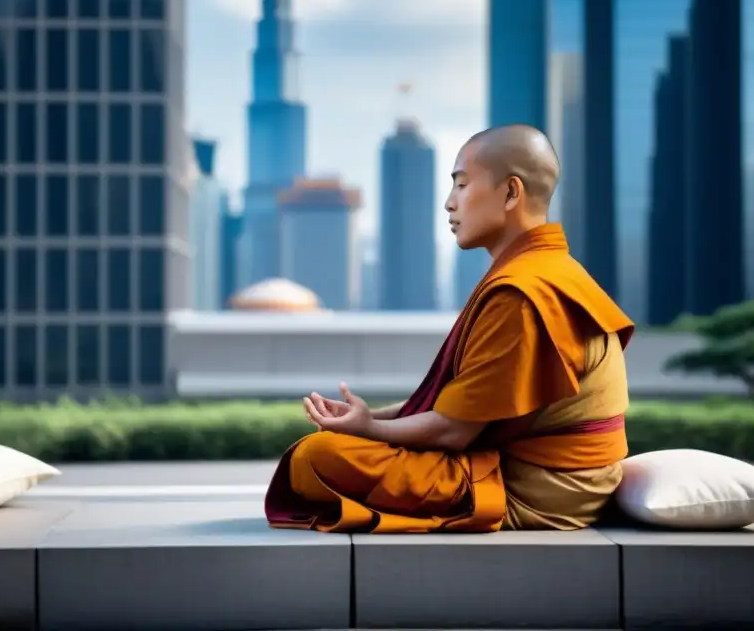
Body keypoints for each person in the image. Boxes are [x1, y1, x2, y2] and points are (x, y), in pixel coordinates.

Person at [264, 124, 634, 533]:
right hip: (563, 479)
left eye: (461, 184)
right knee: (330, 452)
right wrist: (373, 418)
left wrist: (369, 429)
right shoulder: (546, 271)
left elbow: (454, 430)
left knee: (317, 457)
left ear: (511, 193)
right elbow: (471, 408)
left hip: (539, 489)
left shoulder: (524, 291)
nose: (448, 203)